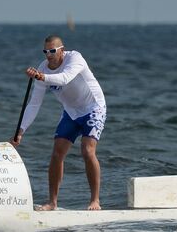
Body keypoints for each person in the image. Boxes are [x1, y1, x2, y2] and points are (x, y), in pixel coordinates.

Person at [10, 35, 106, 211]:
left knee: (87, 150)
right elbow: (34, 103)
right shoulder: (43, 68)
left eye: (53, 51)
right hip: (71, 112)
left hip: (93, 108)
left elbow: (64, 78)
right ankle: (52, 203)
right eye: (45, 51)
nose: (49, 55)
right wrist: (21, 130)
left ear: (62, 50)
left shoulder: (75, 58)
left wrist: (40, 76)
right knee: (57, 153)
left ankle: (95, 200)